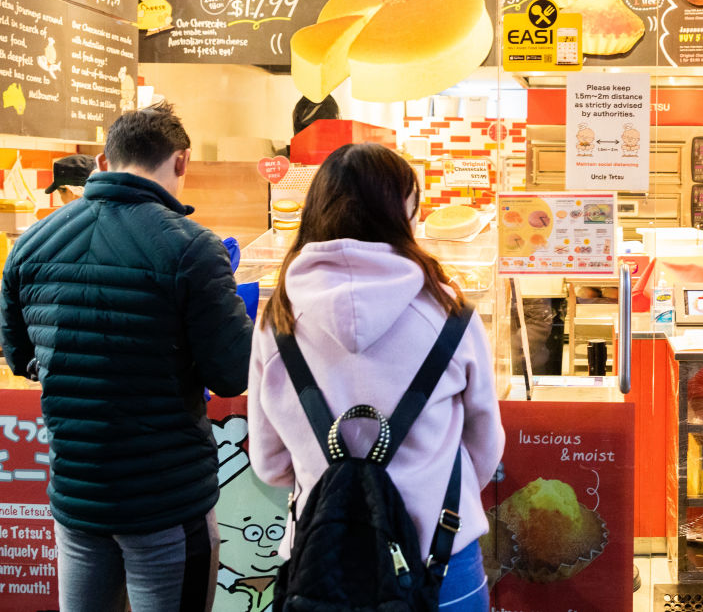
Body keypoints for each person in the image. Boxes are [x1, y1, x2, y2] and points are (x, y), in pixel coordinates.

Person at [0, 102, 253, 612]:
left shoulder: (30, 243)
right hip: (167, 503)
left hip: (77, 496)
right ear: (181, 162)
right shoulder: (192, 248)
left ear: (102, 160)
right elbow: (232, 375)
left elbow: (18, 355)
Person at [247, 142, 504, 611]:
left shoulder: (277, 318)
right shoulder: (450, 312)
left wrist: (332, 480)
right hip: (440, 558)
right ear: (400, 213)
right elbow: (483, 447)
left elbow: (268, 462)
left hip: (321, 564)